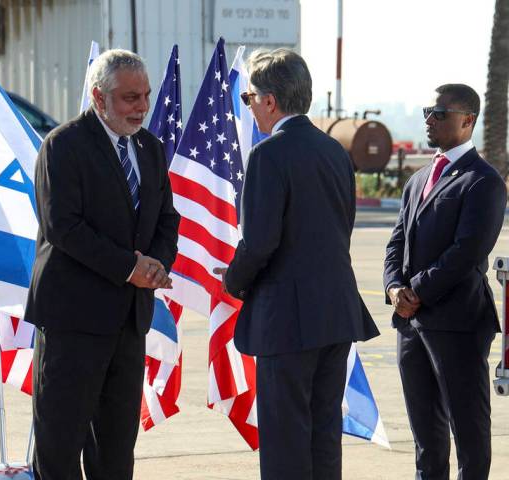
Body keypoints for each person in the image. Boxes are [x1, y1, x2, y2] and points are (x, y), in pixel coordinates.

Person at [214, 48, 379, 480]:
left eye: (249, 99)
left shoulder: (269, 154)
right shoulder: (335, 151)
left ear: (270, 101)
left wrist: (233, 279)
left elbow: (261, 241)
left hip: (287, 319)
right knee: (323, 435)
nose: (249, 109)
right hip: (335, 312)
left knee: (286, 439)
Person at [26, 49, 179, 479]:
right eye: (131, 97)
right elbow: (64, 227)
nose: (142, 107)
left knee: (115, 449)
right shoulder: (64, 145)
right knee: (60, 444)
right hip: (73, 320)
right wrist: (129, 267)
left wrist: (157, 265)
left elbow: (167, 219)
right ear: (99, 96)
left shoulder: (150, 149)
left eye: (146, 96)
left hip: (128, 322)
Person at [384, 84, 506, 480]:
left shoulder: (483, 181)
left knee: (468, 435)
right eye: (427, 111)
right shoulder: (418, 179)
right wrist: (393, 288)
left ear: (467, 120)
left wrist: (415, 290)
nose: (429, 119)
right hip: (412, 325)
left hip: (458, 324)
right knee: (427, 439)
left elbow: (466, 252)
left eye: (439, 112)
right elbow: (397, 241)